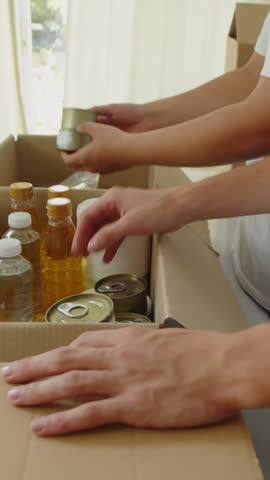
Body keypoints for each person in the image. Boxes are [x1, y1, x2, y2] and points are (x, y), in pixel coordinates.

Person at [2, 13, 270, 439]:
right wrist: (150, 129)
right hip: (252, 283)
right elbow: (258, 80)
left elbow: (262, 119)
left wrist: (228, 364)